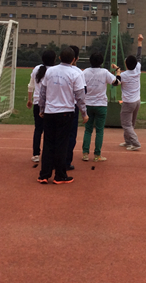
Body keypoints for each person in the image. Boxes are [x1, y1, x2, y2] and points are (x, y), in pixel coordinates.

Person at [38, 47, 88, 185]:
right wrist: (84, 113)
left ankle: (44, 174)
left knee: (48, 143)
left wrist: (42, 108)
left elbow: (43, 92)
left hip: (50, 112)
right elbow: (80, 96)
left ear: (59, 58)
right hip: (65, 113)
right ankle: (60, 175)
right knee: (62, 144)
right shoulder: (75, 73)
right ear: (73, 60)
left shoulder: (50, 71)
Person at [82, 52, 121, 162]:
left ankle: (85, 153)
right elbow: (116, 83)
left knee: (88, 130)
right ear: (101, 62)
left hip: (88, 104)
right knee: (99, 131)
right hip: (101, 104)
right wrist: (118, 72)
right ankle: (97, 155)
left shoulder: (85, 72)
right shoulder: (104, 72)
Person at [112, 34, 143, 151]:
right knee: (131, 123)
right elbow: (139, 57)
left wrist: (117, 71)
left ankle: (135, 143)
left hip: (128, 102)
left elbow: (117, 81)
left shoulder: (123, 75)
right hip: (137, 101)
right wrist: (139, 42)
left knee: (126, 124)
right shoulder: (137, 68)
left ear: (126, 65)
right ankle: (128, 141)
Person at [27, 49, 56, 163]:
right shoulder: (54, 70)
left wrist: (29, 99)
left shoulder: (37, 69)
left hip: (37, 102)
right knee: (51, 130)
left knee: (38, 129)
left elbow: (30, 85)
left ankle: (35, 154)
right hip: (50, 104)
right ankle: (49, 153)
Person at [66, 45, 86, 170]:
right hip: (71, 108)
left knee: (53, 136)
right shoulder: (78, 72)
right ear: (76, 58)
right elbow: (82, 93)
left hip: (52, 108)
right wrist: (84, 112)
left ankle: (51, 161)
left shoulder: (52, 70)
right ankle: (66, 162)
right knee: (70, 136)